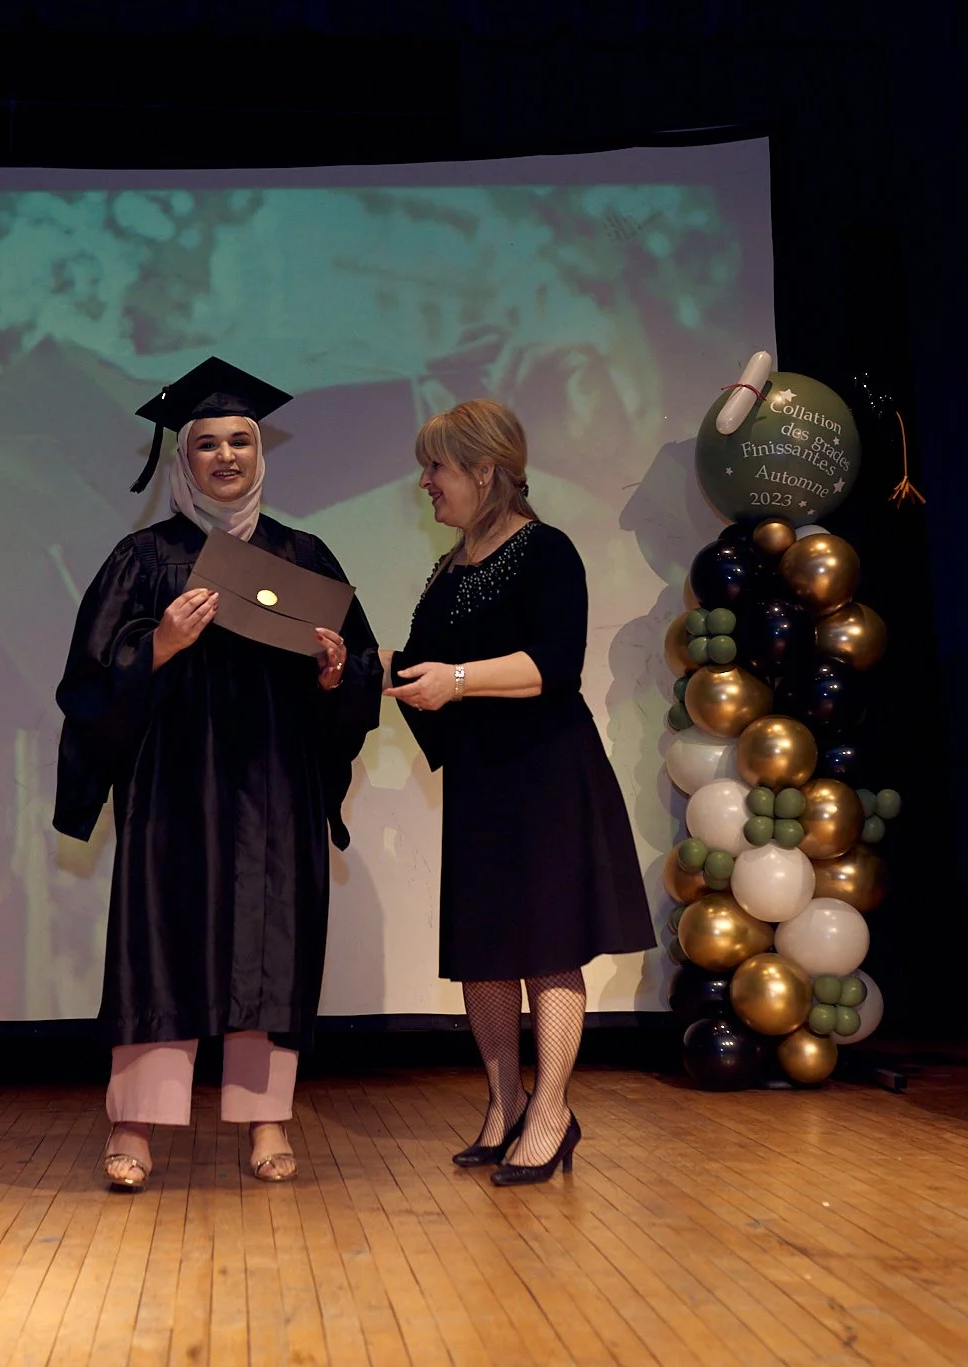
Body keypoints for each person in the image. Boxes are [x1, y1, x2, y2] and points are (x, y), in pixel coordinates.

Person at [54, 358, 382, 1190]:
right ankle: (134, 1125)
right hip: (173, 787)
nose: (227, 456)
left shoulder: (303, 557)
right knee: (161, 940)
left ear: (260, 453)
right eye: (208, 444)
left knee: (267, 945)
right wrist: (158, 643)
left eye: (241, 440)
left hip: (273, 789)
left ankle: (266, 1120)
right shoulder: (144, 559)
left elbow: (365, 669)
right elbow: (88, 681)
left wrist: (339, 671)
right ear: (183, 459)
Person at [385, 399, 656, 1185]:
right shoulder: (451, 567)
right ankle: (505, 1104)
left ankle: (552, 1112)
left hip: (543, 774)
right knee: (485, 949)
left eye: (436, 466)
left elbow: (553, 665)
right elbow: (423, 667)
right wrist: (357, 664)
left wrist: (458, 680)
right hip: (481, 778)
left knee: (545, 947)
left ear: (485, 471)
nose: (425, 483)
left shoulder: (547, 551)